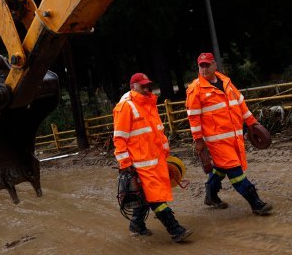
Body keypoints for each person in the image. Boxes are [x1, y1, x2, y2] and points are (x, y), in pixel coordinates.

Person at [186, 53, 273, 215]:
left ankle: (210, 196)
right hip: (216, 141)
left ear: (214, 65)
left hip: (234, 137)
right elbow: (194, 118)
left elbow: (240, 103)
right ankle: (256, 204)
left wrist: (252, 123)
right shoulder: (195, 89)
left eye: (207, 65)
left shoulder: (226, 82)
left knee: (220, 167)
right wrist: (198, 141)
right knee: (235, 170)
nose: (204, 69)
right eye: (201, 66)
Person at [113, 73, 193, 242]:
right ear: (133, 86)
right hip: (140, 165)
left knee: (146, 196)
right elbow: (119, 139)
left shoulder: (149, 104)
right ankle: (175, 230)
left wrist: (165, 154)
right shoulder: (126, 107)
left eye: (148, 85)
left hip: (155, 161)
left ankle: (136, 226)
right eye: (143, 86)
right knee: (156, 197)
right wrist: (125, 163)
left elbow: (158, 132)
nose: (147, 89)